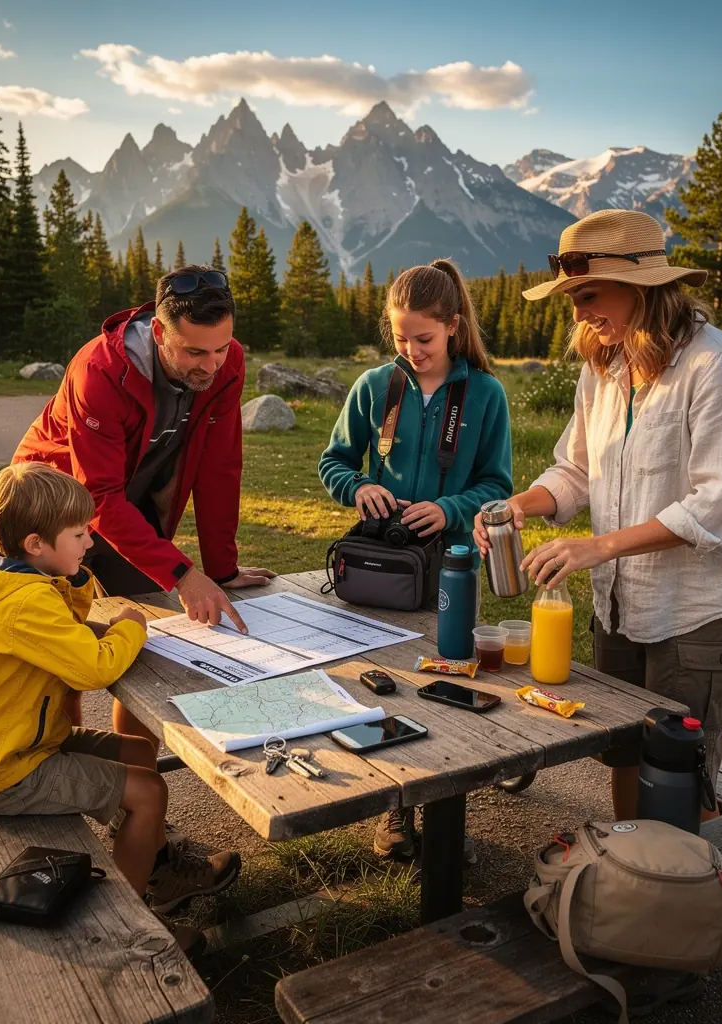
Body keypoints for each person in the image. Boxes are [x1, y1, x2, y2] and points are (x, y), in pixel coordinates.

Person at [474, 209, 722, 824]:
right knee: (624, 755)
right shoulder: (604, 369)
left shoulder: (718, 365)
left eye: (588, 295)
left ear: (642, 287)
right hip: (620, 606)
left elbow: (719, 503)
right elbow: (575, 470)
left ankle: (679, 883)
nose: (578, 313)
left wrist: (599, 547)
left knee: (677, 776)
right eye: (572, 300)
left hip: (697, 612)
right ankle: (625, 872)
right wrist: (519, 504)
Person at [0, 463, 241, 957]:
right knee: (148, 792)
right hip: (3, 768)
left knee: (138, 751)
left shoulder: (7, 580)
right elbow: (94, 668)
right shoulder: (25, 603)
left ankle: (155, 870)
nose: (90, 542)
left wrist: (76, 581)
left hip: (17, 741)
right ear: (36, 544)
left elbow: (68, 632)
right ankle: (127, 927)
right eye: (79, 534)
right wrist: (132, 625)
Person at [13, 266, 275, 755]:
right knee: (58, 654)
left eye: (221, 348)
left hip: (126, 504)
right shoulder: (99, 370)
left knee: (147, 644)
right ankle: (59, 765)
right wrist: (182, 575)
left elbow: (220, 468)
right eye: (194, 352)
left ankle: (137, 777)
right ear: (158, 331)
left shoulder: (228, 363)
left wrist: (220, 569)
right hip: (48, 509)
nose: (211, 365)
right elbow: (97, 496)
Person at [319, 258, 513, 859]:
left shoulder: (486, 395)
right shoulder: (374, 386)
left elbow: (497, 486)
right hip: (384, 565)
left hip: (453, 566)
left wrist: (450, 508)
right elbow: (333, 462)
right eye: (401, 338)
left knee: (447, 684)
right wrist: (359, 487)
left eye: (424, 338)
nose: (412, 351)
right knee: (388, 684)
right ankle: (396, 808)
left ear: (453, 326)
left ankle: (446, 809)